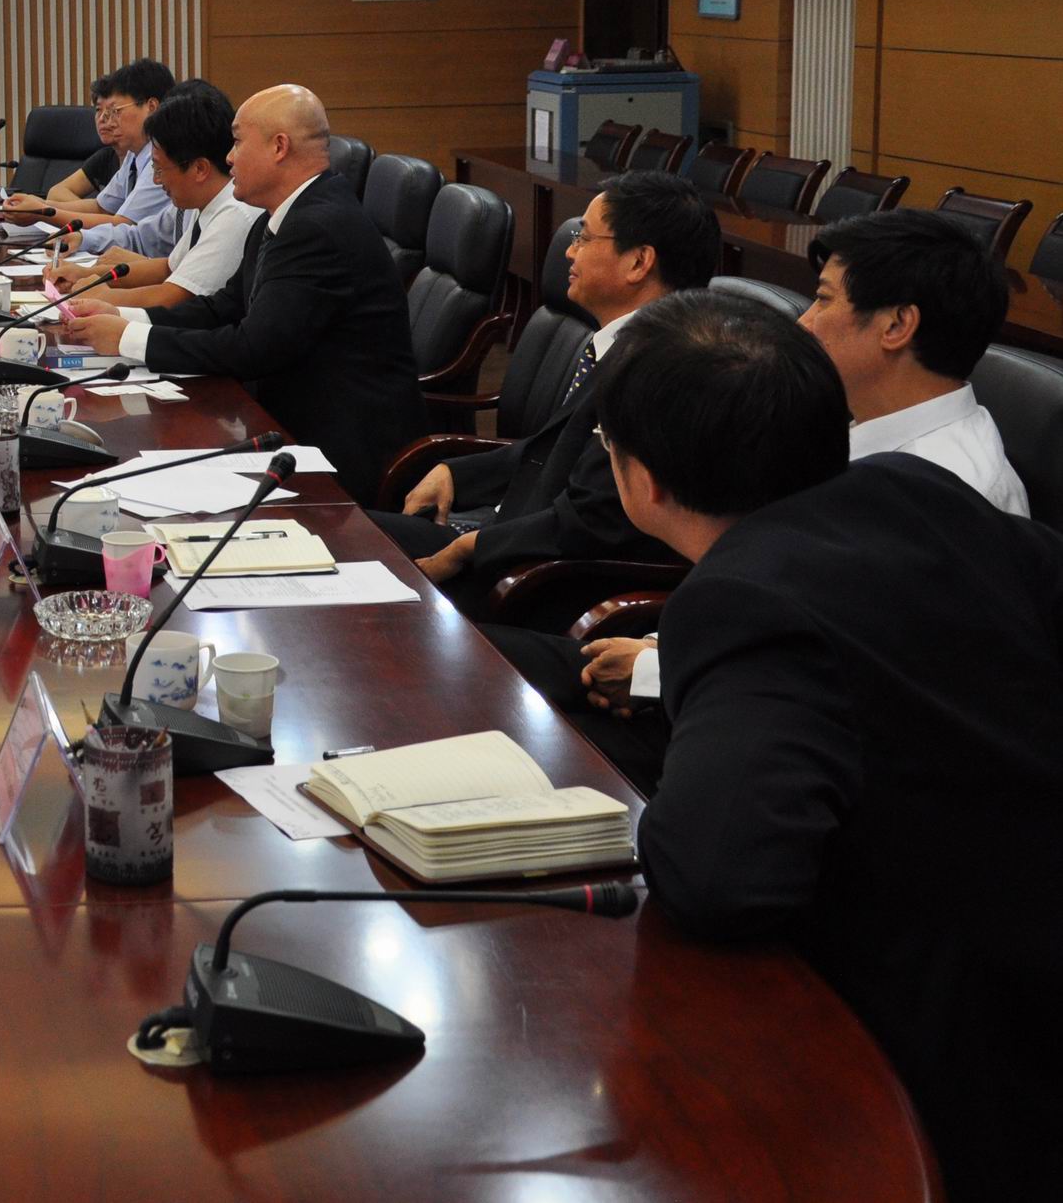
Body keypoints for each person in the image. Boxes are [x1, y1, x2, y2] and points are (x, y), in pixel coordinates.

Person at [580, 291, 1063, 1201]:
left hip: (959, 1070)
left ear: (642, 481)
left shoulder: (740, 601)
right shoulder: (915, 489)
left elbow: (718, 878)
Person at [374, 170, 722, 621]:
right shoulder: (623, 344)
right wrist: (456, 473)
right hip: (511, 535)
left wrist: (471, 545)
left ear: (639, 262)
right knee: (345, 534)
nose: (570, 251)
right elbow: (552, 447)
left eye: (585, 237)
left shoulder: (661, 370)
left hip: (539, 580)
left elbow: (596, 519)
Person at [57, 84, 423, 502]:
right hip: (283, 424)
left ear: (279, 147)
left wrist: (128, 339)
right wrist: (122, 320)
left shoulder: (318, 227)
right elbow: (223, 308)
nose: (228, 157)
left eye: (237, 142)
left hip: (339, 454)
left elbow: (253, 348)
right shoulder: (280, 215)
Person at [799, 209, 1028, 515]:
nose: (803, 323)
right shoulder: (853, 424)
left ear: (896, 325)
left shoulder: (947, 493)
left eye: (824, 298)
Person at [47, 85, 258, 310]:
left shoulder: (233, 213)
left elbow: (176, 295)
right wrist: (86, 275)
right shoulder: (203, 204)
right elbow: (168, 268)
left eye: (159, 169)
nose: (156, 180)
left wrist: (106, 297)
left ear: (199, 169)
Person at [1, 59, 173, 233]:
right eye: (102, 111)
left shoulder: (162, 159)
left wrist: (41, 213)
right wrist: (40, 204)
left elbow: (123, 225)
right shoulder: (134, 156)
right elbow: (101, 207)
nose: (107, 120)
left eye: (115, 111)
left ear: (151, 107)